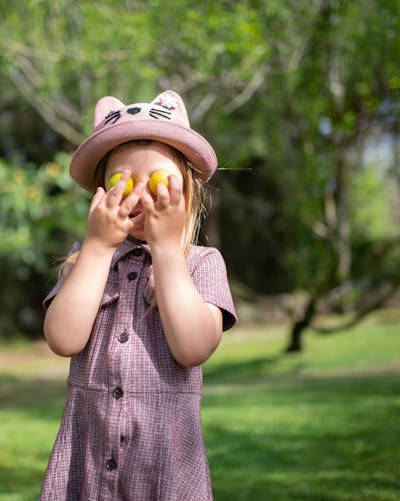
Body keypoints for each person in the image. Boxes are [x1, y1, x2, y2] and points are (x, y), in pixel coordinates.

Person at [41, 90, 237, 500]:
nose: (143, 197)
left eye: (161, 183)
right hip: (88, 461)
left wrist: (166, 250)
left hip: (163, 468)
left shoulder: (202, 263)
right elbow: (63, 339)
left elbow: (194, 347)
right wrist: (97, 248)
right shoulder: (87, 259)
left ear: (188, 191)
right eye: (124, 182)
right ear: (100, 194)